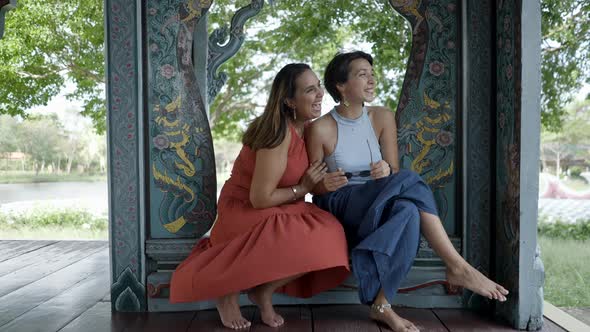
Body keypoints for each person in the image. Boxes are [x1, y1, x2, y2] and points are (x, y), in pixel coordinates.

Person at [306, 51, 509, 332]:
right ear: (340, 85)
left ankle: (382, 304)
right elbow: (313, 185)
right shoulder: (319, 129)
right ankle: (457, 266)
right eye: (362, 74)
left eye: (372, 73)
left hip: (380, 196)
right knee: (411, 181)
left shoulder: (382, 117)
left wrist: (386, 171)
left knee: (409, 211)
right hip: (343, 203)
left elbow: (395, 171)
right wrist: (323, 183)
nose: (371, 80)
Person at [170, 63, 350, 329]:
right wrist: (304, 188)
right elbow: (260, 198)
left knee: (331, 234)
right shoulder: (278, 134)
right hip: (246, 209)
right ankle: (227, 293)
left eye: (318, 87)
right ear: (289, 101)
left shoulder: (307, 128)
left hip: (284, 204)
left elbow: (310, 179)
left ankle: (263, 292)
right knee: (316, 237)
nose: (320, 94)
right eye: (310, 90)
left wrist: (327, 184)